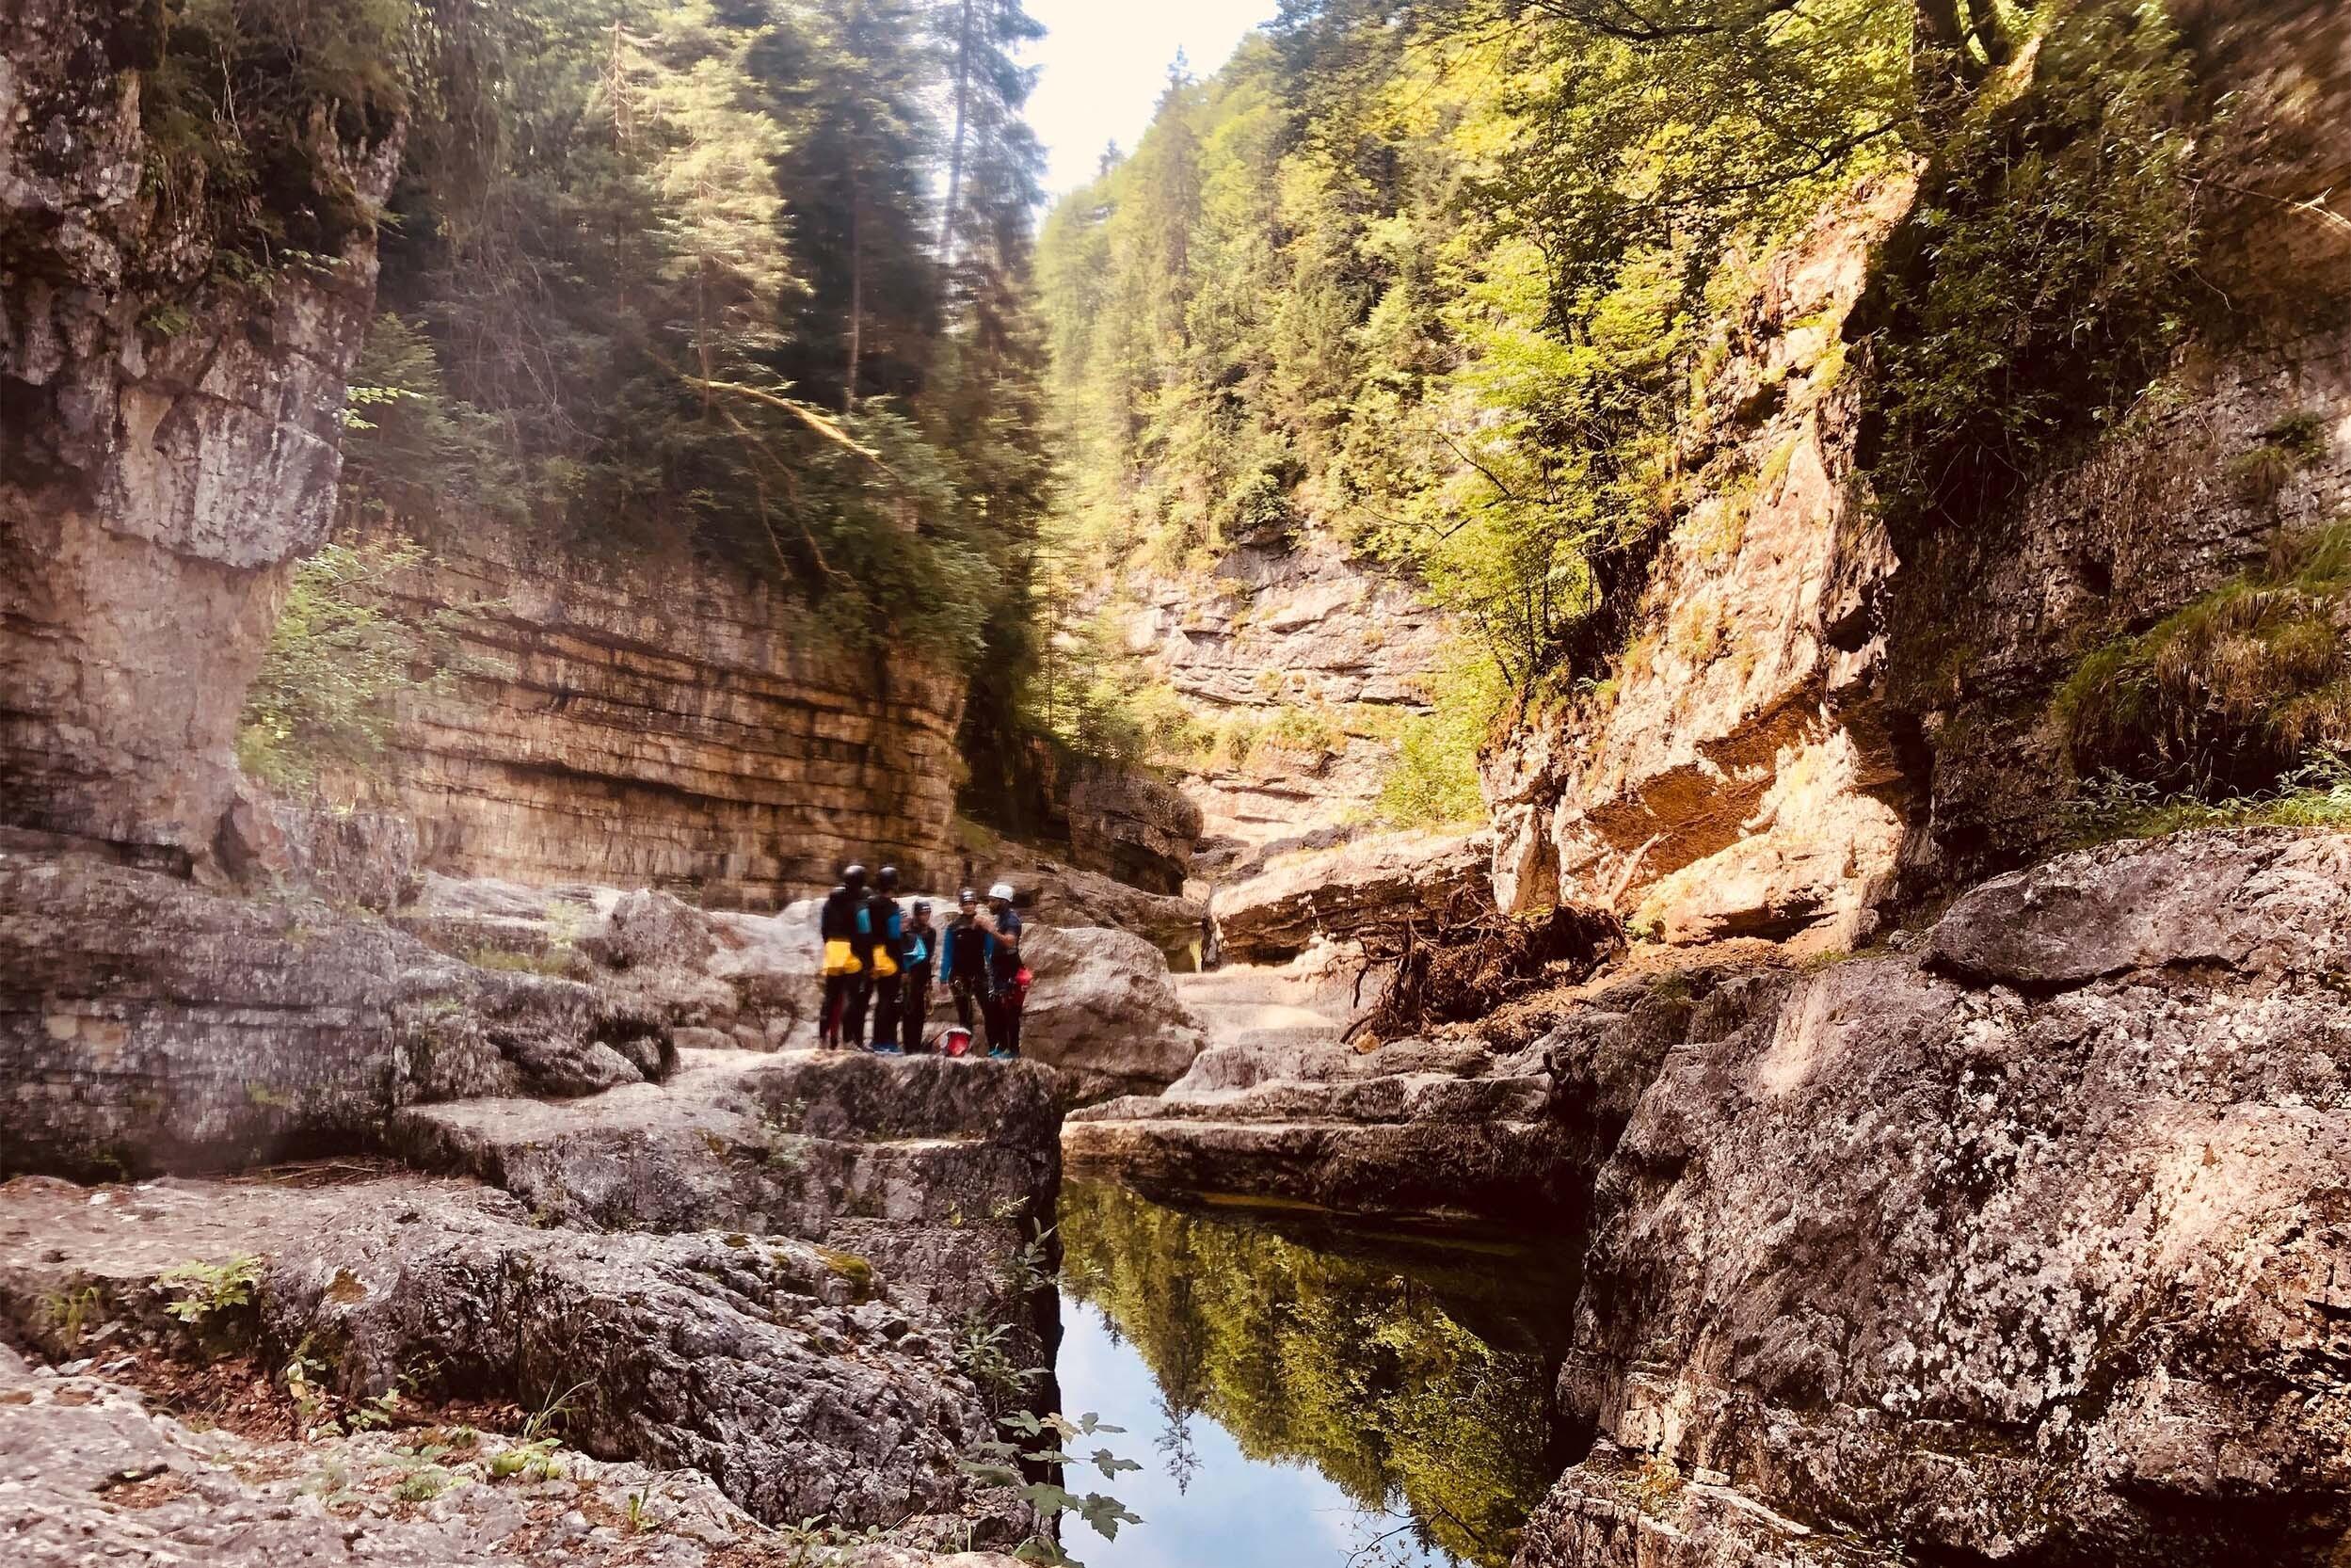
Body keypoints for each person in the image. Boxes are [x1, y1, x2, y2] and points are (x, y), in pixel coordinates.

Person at [817, 866, 867, 1049]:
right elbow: (863, 931)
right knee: (851, 998)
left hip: (833, 949)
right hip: (851, 951)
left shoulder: (829, 903)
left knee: (830, 996)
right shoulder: (858, 904)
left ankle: (822, 1038)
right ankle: (847, 1040)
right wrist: (864, 956)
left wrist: (829, 946)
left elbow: (823, 929)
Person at [976, 880, 1025, 1060]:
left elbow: (1010, 941)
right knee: (998, 1011)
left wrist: (990, 930)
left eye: (993, 900)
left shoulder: (1011, 919)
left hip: (1010, 973)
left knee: (1010, 1013)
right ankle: (1002, 1047)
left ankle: (1012, 1051)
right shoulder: (1002, 918)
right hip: (1000, 972)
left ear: (1003, 901)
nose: (989, 904)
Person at [938, 888, 992, 1049]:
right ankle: (963, 1048)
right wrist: (942, 978)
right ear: (960, 906)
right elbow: (947, 953)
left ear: (975, 905)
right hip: (958, 976)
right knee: (965, 1013)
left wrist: (994, 971)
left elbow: (989, 951)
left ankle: (994, 1046)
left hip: (979, 974)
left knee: (989, 1011)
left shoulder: (982, 926)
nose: (969, 907)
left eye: (971, 903)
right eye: (966, 904)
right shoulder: (953, 928)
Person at [865, 865, 906, 1054]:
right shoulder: (891, 908)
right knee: (888, 1000)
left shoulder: (869, 903)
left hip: (870, 954)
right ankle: (885, 1042)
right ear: (894, 885)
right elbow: (894, 937)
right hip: (887, 957)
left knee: (879, 999)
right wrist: (903, 967)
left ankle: (875, 1041)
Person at [899, 899, 936, 1051]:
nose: (925, 917)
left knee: (920, 1012)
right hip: (909, 974)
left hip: (922, 975)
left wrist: (928, 980)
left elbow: (929, 955)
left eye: (927, 913)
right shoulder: (909, 932)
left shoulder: (931, 932)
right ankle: (908, 1045)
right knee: (908, 1010)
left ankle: (916, 1043)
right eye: (922, 913)